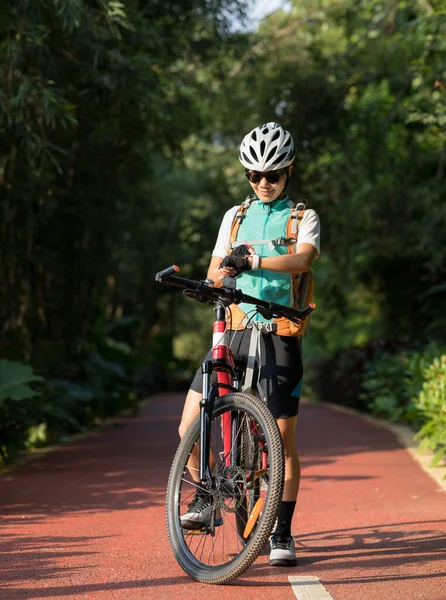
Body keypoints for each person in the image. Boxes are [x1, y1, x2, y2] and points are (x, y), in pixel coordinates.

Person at [178, 122, 321, 566]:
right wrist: (212, 280)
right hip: (236, 329)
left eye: (272, 175)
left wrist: (255, 259)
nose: (263, 183)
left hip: (279, 332)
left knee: (282, 439)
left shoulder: (302, 216)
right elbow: (217, 268)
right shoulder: (234, 217)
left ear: (288, 172)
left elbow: (304, 257)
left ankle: (281, 532)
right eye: (254, 176)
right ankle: (205, 498)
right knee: (188, 425)